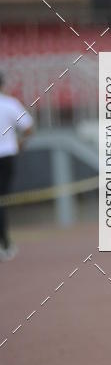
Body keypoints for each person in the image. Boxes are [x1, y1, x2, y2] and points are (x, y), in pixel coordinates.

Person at [0, 73, 34, 261]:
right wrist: (20, 144)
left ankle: (4, 242)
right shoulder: (10, 104)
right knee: (2, 201)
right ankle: (4, 243)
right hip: (6, 156)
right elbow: (29, 128)